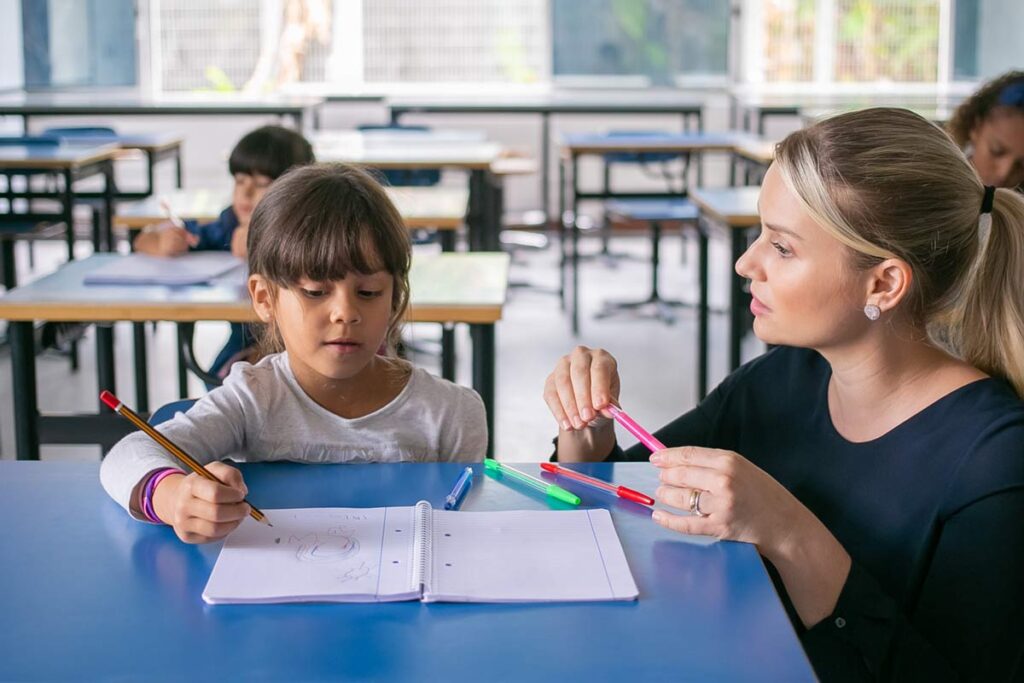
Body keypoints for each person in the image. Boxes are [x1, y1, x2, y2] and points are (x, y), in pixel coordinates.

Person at [544, 108, 1024, 681]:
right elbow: (622, 499)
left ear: (883, 284)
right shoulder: (781, 379)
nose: (746, 263)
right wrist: (588, 428)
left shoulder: (996, 461)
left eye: (783, 247)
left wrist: (789, 532)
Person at [101, 163, 488, 543]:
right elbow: (126, 456)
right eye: (315, 292)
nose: (345, 312)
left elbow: (467, 533)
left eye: (369, 292)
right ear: (264, 299)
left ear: (395, 298)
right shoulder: (253, 398)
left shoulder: (452, 414)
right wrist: (172, 498)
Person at [134, 125, 316, 377]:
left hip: (305, 341)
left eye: (262, 184)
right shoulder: (230, 224)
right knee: (226, 375)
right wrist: (163, 242)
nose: (246, 192)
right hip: (245, 343)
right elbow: (143, 240)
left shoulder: (311, 229)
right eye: (239, 181)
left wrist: (260, 245)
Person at [947, 70, 1024, 191]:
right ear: (975, 127)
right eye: (997, 151)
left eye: (1021, 165)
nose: (1004, 173)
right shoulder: (932, 176)